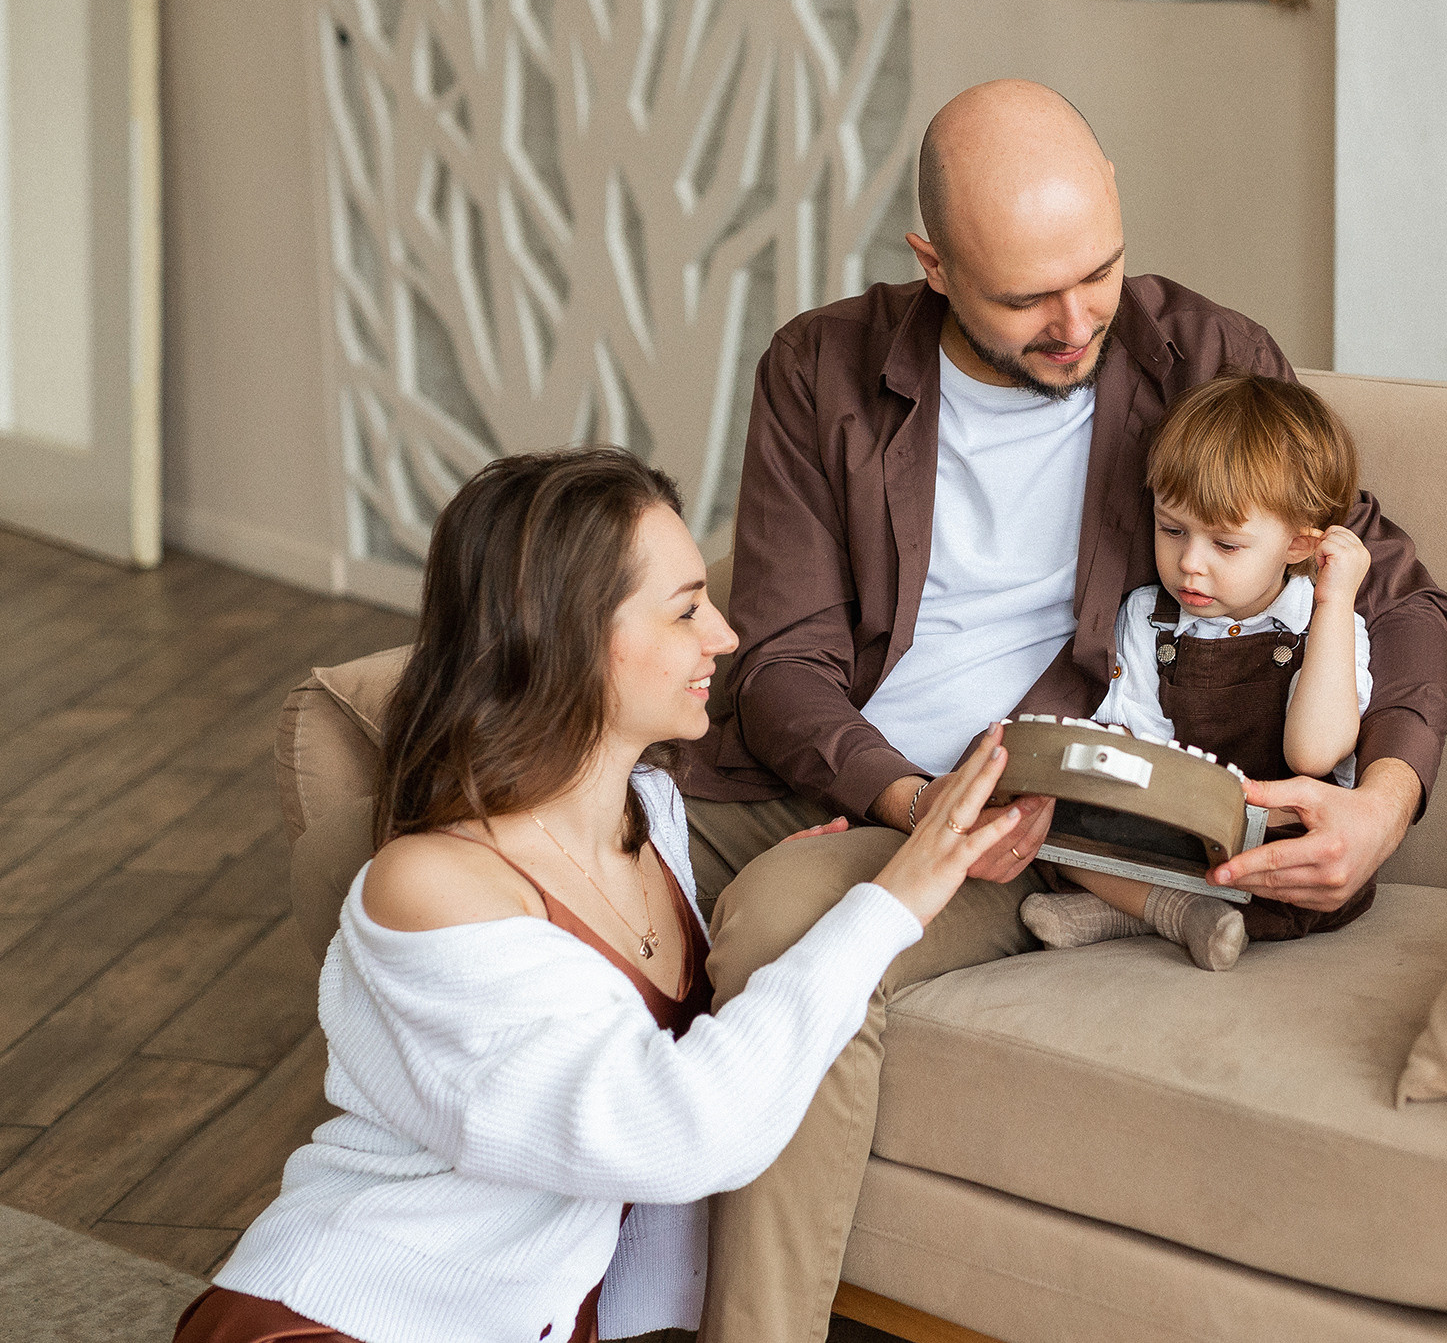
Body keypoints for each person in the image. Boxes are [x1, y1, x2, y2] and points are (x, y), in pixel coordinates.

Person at [671, 80, 1447, 1342]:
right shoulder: (818, 368)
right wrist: (900, 798)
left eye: (1098, 270)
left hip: (1030, 808)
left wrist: (1382, 805)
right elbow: (779, 663)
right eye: (1028, 295)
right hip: (854, 772)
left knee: (779, 939)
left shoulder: (1204, 359)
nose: (1076, 317)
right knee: (481, 841)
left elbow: (1397, 592)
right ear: (931, 264)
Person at [173, 448, 1023, 1343]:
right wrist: (891, 904)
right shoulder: (430, 884)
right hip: (349, 1315)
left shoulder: (647, 819)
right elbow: (676, 1131)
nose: (725, 637)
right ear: (568, 633)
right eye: (688, 608)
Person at [1020, 371, 1379, 971]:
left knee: (1298, 877)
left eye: (1226, 545)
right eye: (1173, 529)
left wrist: (1335, 602)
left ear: (1298, 546)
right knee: (1041, 820)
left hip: (1272, 846)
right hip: (1171, 828)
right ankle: (1174, 910)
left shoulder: (1328, 626)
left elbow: (1315, 756)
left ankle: (1138, 909)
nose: (1190, 564)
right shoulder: (1148, 617)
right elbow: (1133, 734)